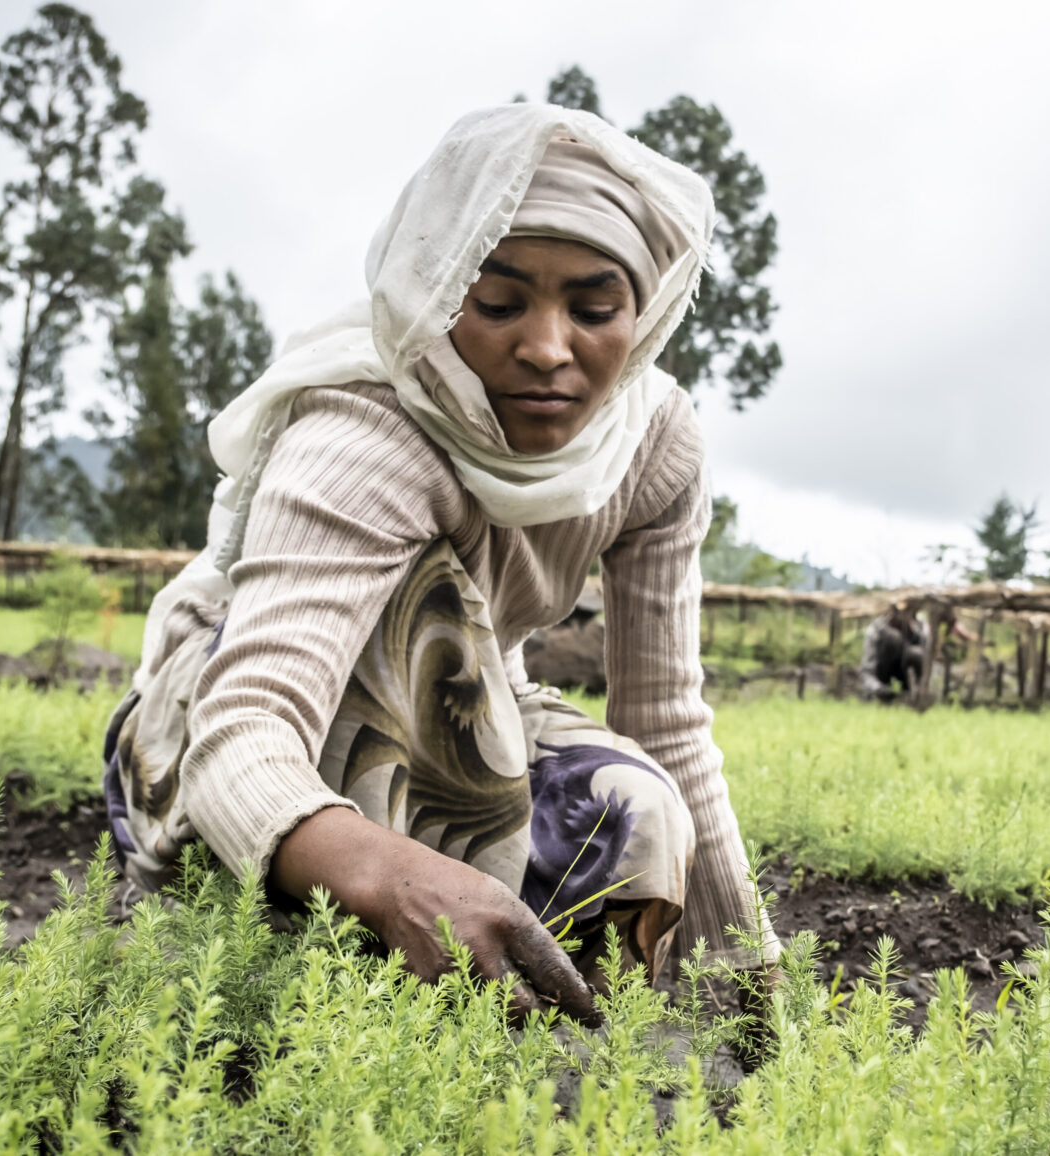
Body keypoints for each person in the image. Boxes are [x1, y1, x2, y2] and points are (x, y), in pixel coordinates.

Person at [101, 104, 776, 1022]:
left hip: (468, 720)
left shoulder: (650, 444)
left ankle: (527, 1045)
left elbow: (666, 722)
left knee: (636, 804)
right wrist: (394, 878)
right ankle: (273, 989)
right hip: (215, 725)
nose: (545, 348)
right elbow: (245, 726)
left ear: (644, 313)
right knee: (430, 622)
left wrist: (749, 979)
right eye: (497, 304)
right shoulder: (369, 425)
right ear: (437, 290)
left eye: (593, 308)